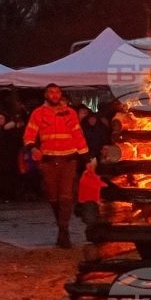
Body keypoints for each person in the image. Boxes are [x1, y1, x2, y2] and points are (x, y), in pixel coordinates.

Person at [23, 83, 89, 249]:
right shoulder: (38, 113)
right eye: (51, 92)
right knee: (53, 198)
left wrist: (86, 157)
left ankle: (64, 230)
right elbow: (29, 135)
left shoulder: (70, 113)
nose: (54, 95)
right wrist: (32, 148)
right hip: (48, 161)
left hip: (69, 160)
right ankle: (61, 226)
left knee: (66, 197)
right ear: (46, 94)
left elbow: (78, 135)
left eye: (57, 92)